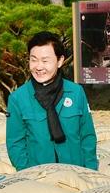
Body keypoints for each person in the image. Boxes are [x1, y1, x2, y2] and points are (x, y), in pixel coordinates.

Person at [6, 31, 98, 171]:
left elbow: (87, 136)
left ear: (60, 61)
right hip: (39, 179)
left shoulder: (75, 92)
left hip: (76, 173)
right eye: (34, 59)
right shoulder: (18, 98)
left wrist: (90, 171)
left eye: (45, 60)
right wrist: (28, 173)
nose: (38, 67)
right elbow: (15, 143)